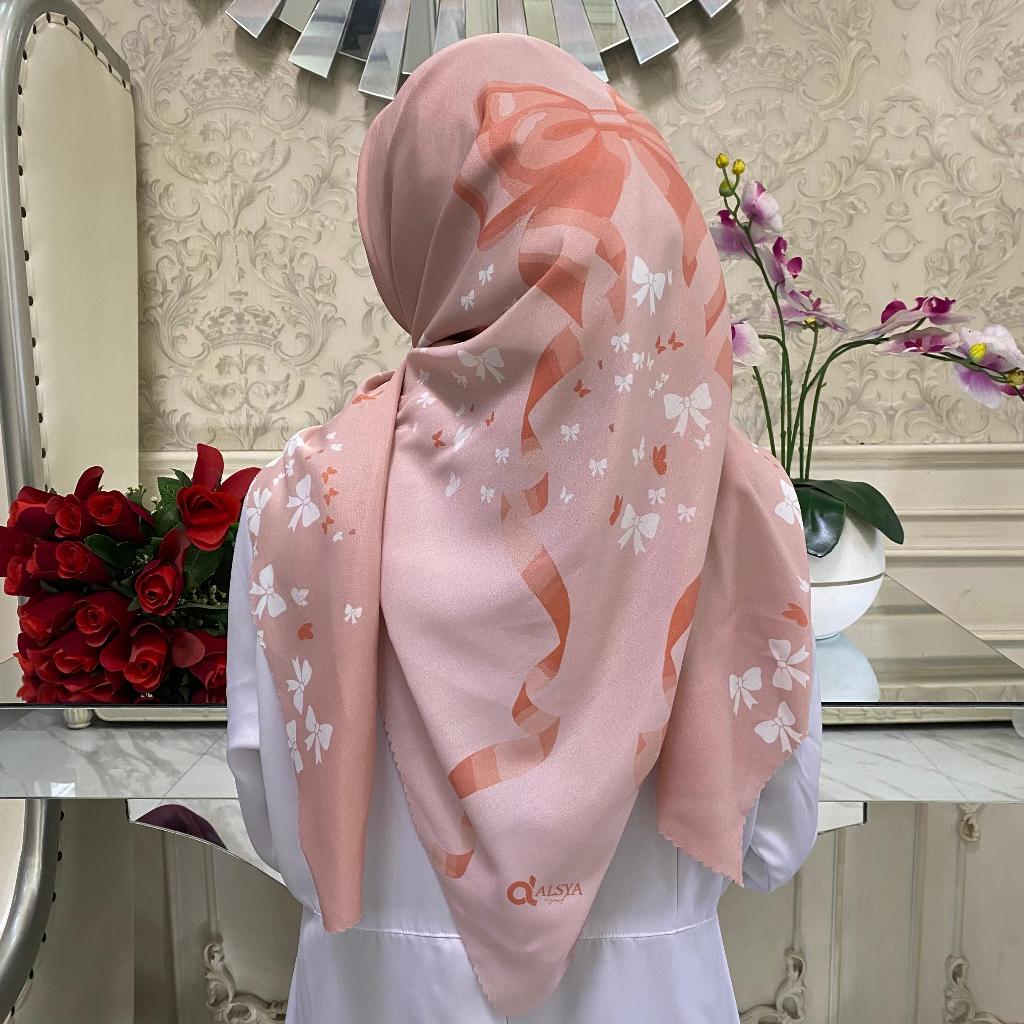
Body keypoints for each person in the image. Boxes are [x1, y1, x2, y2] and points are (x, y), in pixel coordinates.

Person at [227, 33, 821, 1024]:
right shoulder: (738, 499)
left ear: (424, 227)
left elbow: (293, 840)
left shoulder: (306, 498)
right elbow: (768, 845)